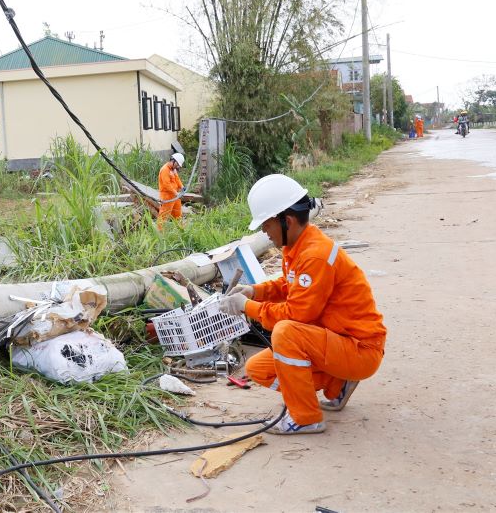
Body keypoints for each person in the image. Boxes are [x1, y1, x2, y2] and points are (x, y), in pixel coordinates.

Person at [219, 174, 387, 435]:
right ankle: (337, 382)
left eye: (266, 225)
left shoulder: (315, 256)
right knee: (257, 369)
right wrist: (254, 291)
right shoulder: (297, 246)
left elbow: (297, 314)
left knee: (286, 331)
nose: (264, 232)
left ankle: (306, 417)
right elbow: (288, 287)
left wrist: (246, 307)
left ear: (286, 221)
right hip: (336, 342)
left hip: (360, 349)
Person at [157, 151, 185, 228]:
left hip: (175, 196)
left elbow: (177, 179)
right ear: (173, 161)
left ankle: (180, 230)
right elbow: (166, 185)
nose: (178, 166)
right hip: (167, 196)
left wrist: (182, 187)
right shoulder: (165, 170)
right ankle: (160, 233)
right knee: (163, 216)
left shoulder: (173, 169)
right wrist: (176, 193)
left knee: (178, 214)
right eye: (178, 164)